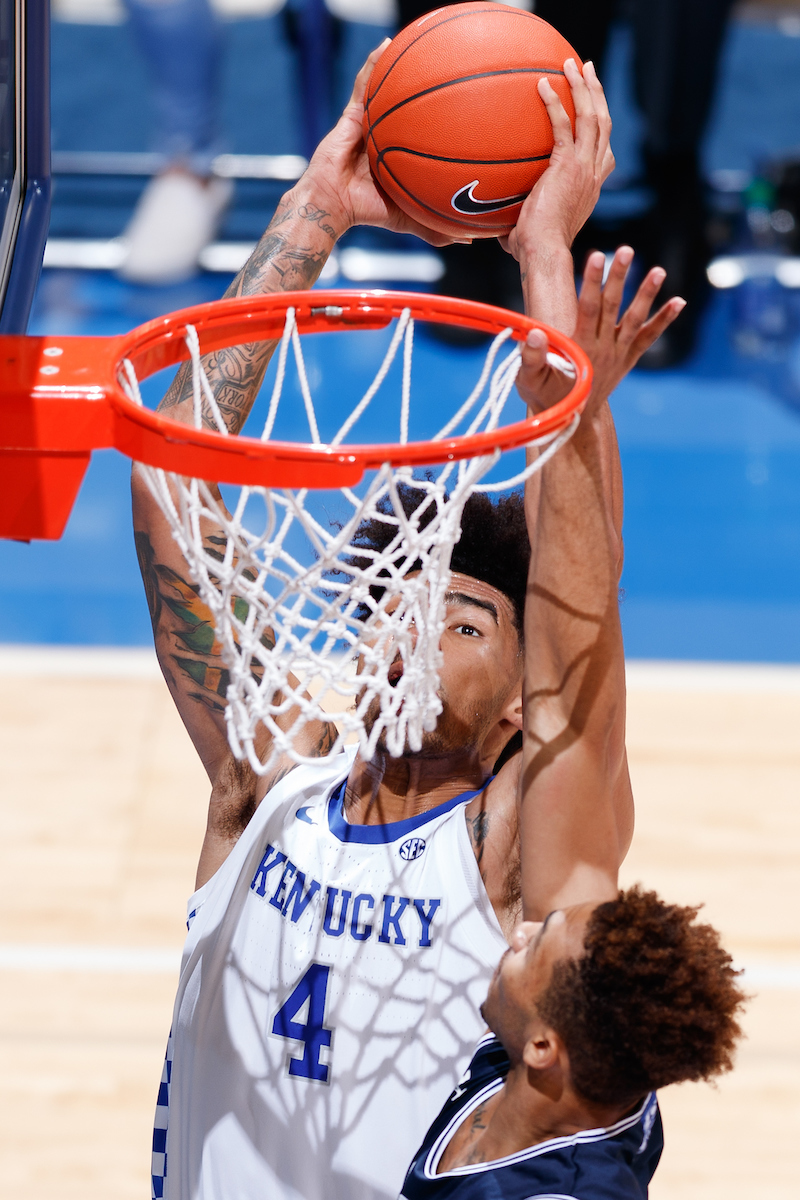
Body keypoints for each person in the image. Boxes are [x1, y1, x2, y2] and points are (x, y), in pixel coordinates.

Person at [132, 45, 680, 1200]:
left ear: (516, 691)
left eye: (464, 619)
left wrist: (543, 281)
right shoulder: (265, 775)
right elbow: (171, 486)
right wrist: (314, 212)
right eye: (396, 601)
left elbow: (579, 646)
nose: (413, 625)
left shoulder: (509, 863)